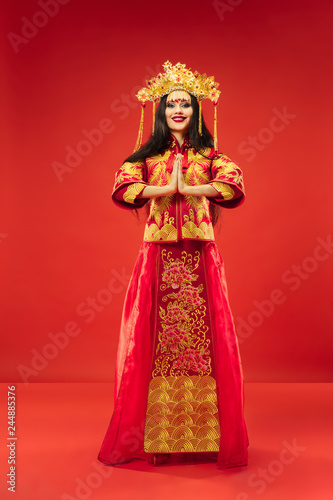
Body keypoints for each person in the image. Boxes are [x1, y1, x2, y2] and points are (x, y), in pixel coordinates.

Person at [98, 61, 248, 469]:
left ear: (196, 111)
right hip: (158, 260)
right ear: (162, 113)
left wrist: (191, 186)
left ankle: (205, 438)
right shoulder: (148, 156)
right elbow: (123, 185)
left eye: (185, 103)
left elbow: (233, 183)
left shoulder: (210, 155)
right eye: (171, 105)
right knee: (154, 344)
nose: (178, 110)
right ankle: (157, 437)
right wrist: (167, 187)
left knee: (204, 345)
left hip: (200, 260)